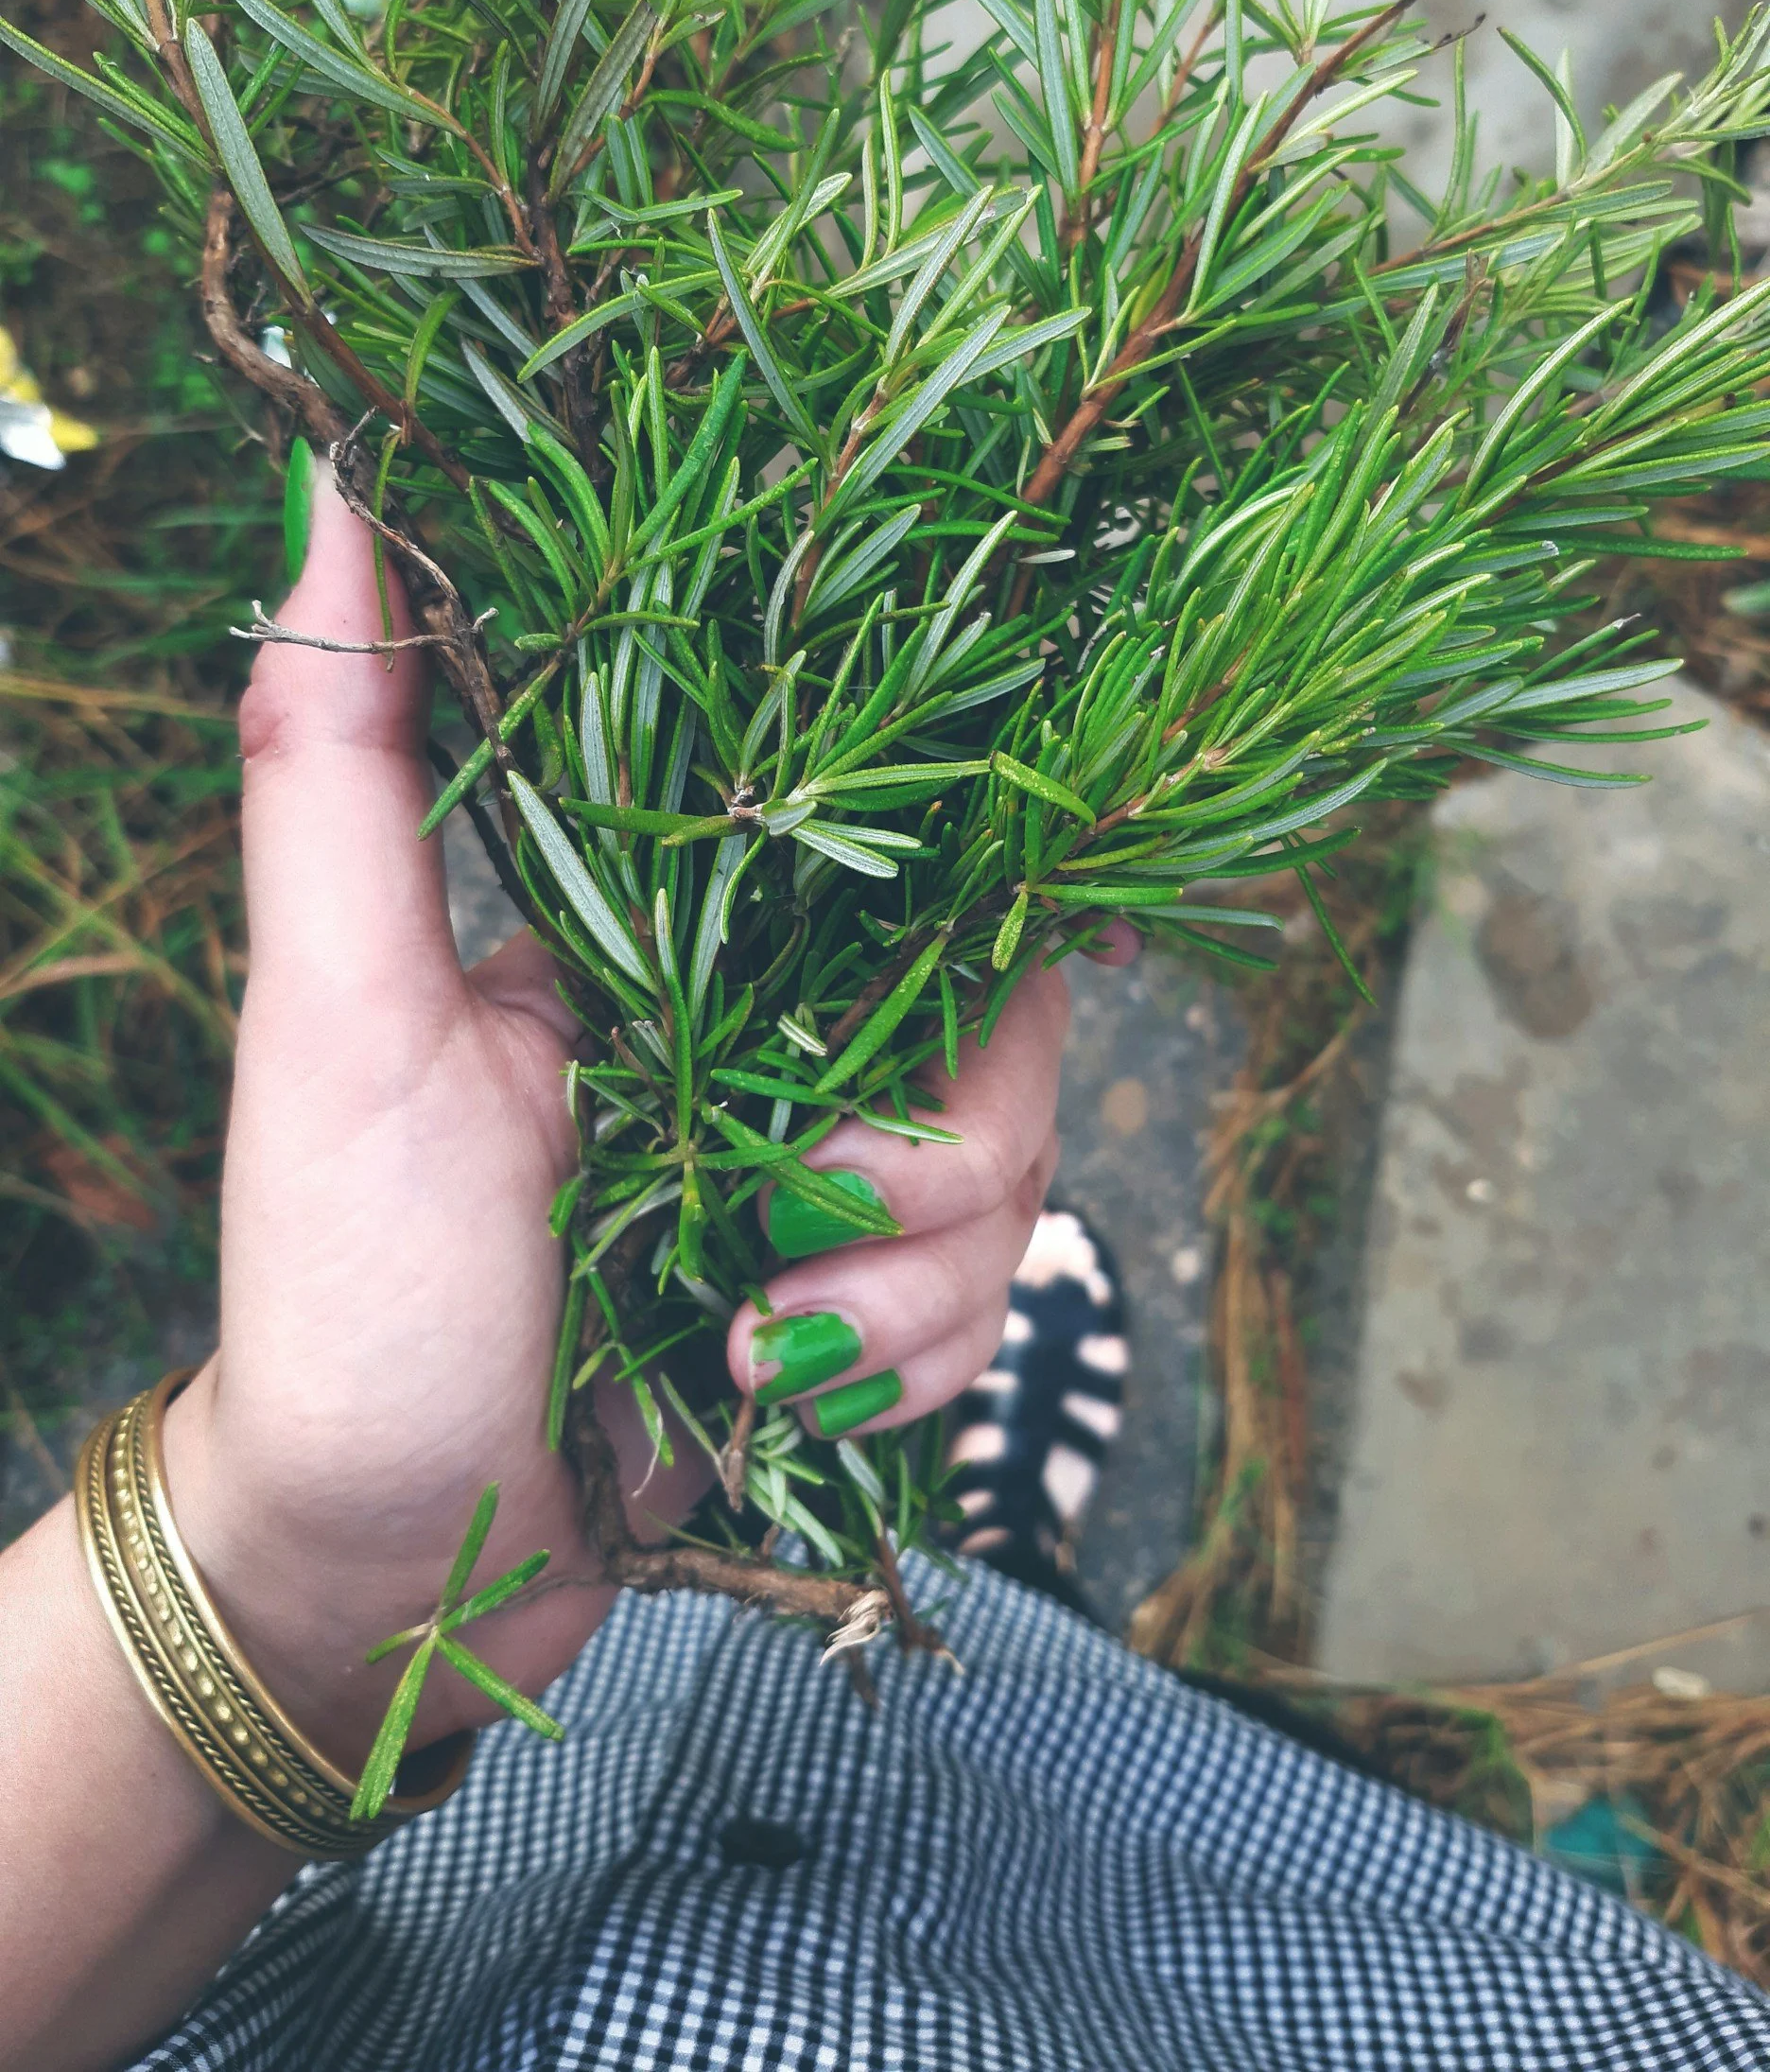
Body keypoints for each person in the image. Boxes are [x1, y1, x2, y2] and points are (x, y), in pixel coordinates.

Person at [3, 485, 1766, 2072]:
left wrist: (289, 1583)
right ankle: (1008, 1591)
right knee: (1116, 1834)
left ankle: (985, 1577)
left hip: (396, 1892)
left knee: (899, 1646)